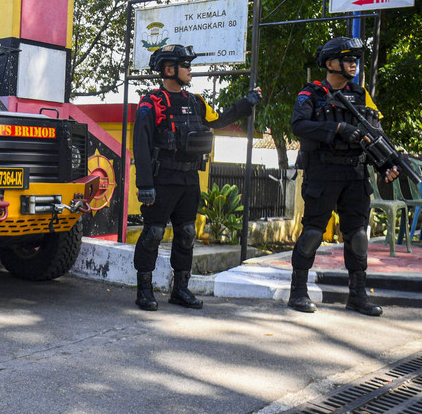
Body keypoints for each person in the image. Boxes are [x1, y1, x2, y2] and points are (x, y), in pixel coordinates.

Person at [133, 44, 261, 311]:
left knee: (187, 233)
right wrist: (144, 184)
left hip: (190, 180)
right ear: (169, 70)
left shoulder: (196, 102)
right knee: (154, 233)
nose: (191, 70)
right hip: (162, 180)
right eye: (185, 65)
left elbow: (219, 120)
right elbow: (141, 146)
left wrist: (246, 103)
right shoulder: (151, 104)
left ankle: (180, 289)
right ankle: (144, 290)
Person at [288, 36, 398, 316]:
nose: (353, 63)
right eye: (347, 58)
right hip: (323, 172)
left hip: (356, 172)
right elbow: (299, 125)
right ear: (330, 63)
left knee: (358, 235)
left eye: (355, 59)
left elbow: (376, 134)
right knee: (313, 232)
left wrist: (385, 164)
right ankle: (298, 292)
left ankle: (357, 295)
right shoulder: (311, 93)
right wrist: (336, 129)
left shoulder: (361, 95)